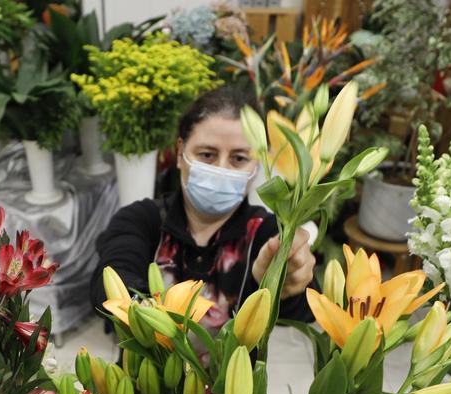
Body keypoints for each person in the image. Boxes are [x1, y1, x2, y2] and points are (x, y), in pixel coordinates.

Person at [89, 86, 316, 330]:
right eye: (207, 155)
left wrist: (280, 283)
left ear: (257, 165)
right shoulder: (142, 219)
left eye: (239, 158)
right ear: (179, 153)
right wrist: (146, 311)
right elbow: (108, 282)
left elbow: (304, 310)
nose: (221, 169)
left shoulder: (266, 232)